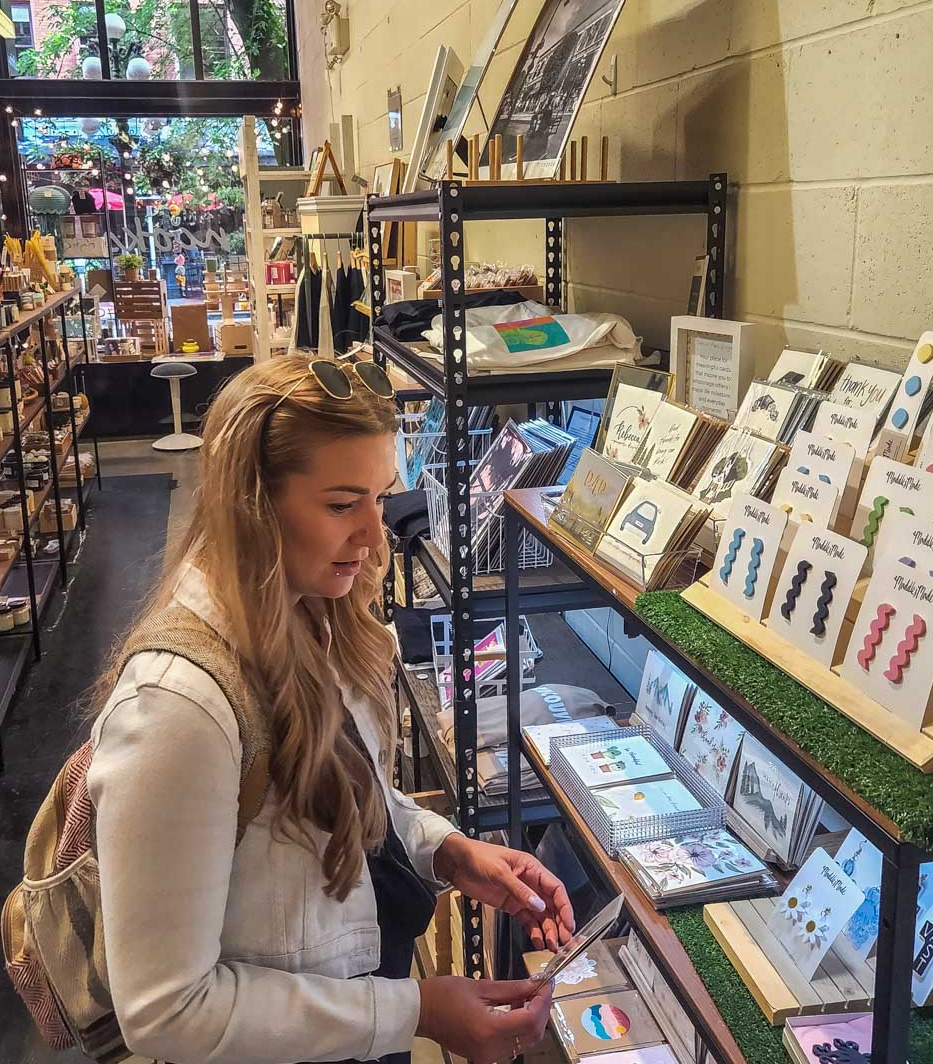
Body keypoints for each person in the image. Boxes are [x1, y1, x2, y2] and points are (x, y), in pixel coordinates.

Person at [87, 353, 575, 1064]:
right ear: (251, 506)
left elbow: (342, 797)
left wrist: (447, 850)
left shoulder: (314, 611)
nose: (376, 535)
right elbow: (166, 1009)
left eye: (382, 497)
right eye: (343, 505)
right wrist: (414, 1010)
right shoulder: (177, 708)